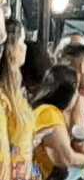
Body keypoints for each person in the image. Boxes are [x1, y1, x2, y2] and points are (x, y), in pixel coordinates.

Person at [32, 65, 84, 179]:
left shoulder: (45, 109)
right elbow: (68, 158)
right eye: (77, 90)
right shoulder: (50, 113)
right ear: (67, 92)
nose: (78, 95)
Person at [0, 19, 34, 180]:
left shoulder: (16, 93)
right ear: (11, 49)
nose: (25, 46)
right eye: (22, 40)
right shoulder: (3, 99)